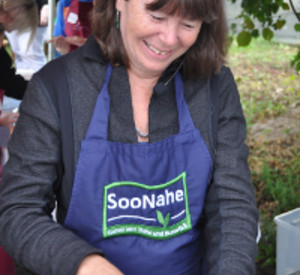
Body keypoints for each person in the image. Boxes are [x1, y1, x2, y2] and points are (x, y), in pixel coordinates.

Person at [0, 0, 259, 274]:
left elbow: (233, 206)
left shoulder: (214, 86)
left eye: (188, 24)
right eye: (157, 16)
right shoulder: (57, 86)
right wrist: (84, 264)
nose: (170, 39)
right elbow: (18, 211)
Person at [4, 0, 48, 75]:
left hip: (33, 11)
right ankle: (23, 83)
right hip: (9, 11)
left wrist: (46, 4)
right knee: (18, 55)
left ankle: (41, 84)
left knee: (32, 55)